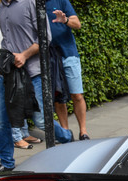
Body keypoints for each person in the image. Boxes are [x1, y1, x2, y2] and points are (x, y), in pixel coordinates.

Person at [0, 0, 73, 173]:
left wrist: (24, 55)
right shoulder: (2, 6)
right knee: (1, 121)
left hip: (32, 72)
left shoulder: (31, 3)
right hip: (8, 72)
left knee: (41, 120)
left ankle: (67, 138)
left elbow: (46, 37)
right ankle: (6, 163)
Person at [46, 0, 90, 140]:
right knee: (59, 97)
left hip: (68, 54)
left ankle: (83, 131)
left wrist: (65, 20)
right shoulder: (34, 4)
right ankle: (66, 133)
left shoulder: (61, 1)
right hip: (50, 56)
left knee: (77, 95)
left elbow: (77, 24)